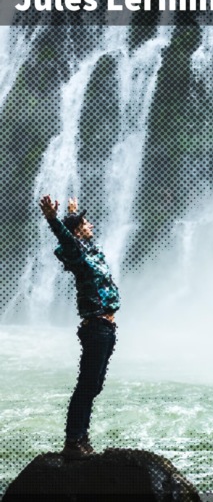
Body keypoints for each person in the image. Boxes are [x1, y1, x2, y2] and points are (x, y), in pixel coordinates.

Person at [40, 195, 120, 458]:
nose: (92, 226)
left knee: (94, 385)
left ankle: (81, 437)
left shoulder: (90, 251)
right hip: (95, 326)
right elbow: (66, 240)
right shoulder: (76, 253)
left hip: (106, 327)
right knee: (86, 385)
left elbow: (78, 239)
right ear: (77, 232)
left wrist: (73, 214)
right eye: (86, 224)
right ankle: (73, 441)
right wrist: (54, 220)